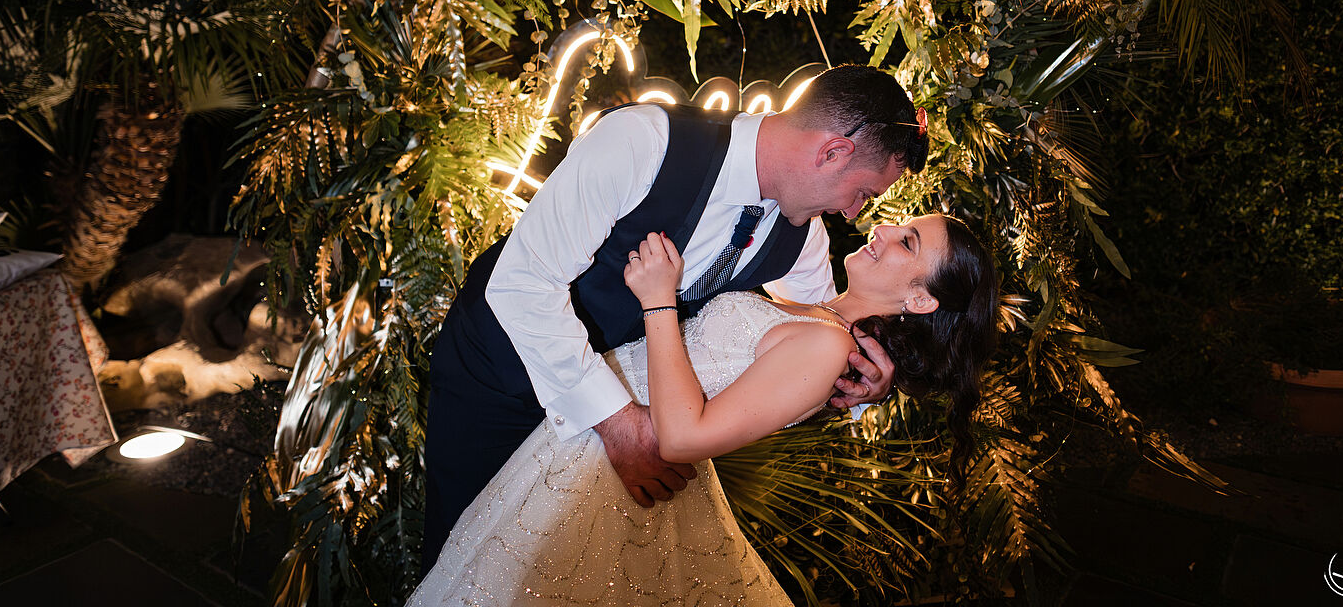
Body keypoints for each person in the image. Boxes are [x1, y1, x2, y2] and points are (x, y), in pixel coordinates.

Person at [422, 65, 928, 575]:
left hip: (594, 452)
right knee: (467, 567)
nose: (851, 213)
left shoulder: (804, 239)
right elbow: (522, 284)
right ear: (832, 153)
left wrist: (863, 383)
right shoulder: (642, 142)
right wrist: (618, 424)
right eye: (862, 193)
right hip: (499, 382)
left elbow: (820, 335)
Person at [409, 213, 999, 606]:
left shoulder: (827, 345)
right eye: (900, 223)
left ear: (921, 299)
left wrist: (659, 300)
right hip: (578, 447)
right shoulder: (818, 314)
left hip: (608, 473)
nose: (882, 228)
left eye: (908, 243)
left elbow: (685, 438)